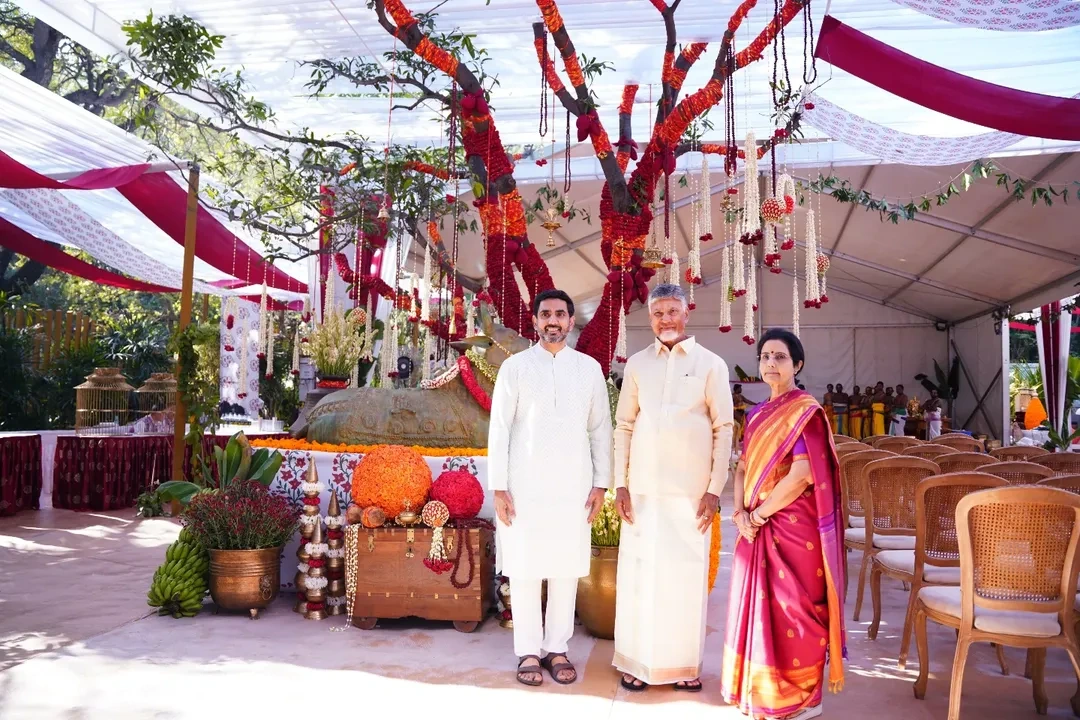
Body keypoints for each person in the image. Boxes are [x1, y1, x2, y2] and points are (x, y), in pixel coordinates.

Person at [612, 283, 734, 692]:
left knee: (685, 578)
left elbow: (723, 428)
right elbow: (624, 425)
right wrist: (620, 485)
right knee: (640, 576)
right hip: (643, 490)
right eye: (658, 313)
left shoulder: (711, 364)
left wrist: (715, 489)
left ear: (687, 313)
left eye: (672, 311)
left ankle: (684, 666)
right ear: (650, 318)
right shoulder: (637, 365)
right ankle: (637, 663)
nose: (666, 319)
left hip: (691, 494)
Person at [487, 288, 612, 687]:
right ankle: (527, 650)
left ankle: (557, 648)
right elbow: (500, 429)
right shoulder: (515, 368)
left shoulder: (589, 369)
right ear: (536, 321)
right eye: (546, 314)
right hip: (523, 487)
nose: (553, 320)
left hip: (572, 488)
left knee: (564, 570)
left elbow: (600, 430)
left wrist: (601, 483)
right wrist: (499, 488)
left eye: (560, 314)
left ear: (571, 322)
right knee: (523, 570)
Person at [721, 328, 846, 720]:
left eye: (780, 357)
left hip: (792, 525)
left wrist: (757, 515)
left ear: (797, 365)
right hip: (754, 523)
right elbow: (742, 466)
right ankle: (760, 691)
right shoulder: (757, 414)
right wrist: (740, 511)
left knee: (796, 609)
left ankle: (804, 698)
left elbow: (802, 475)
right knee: (760, 604)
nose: (770, 363)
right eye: (765, 357)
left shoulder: (805, 411)